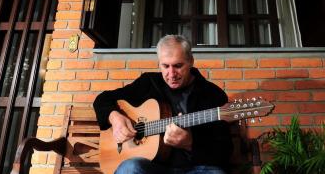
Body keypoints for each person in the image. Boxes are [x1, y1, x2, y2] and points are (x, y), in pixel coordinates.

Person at [93, 34, 233, 174]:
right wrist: (114, 117)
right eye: (165, 66)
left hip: (197, 167)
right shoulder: (148, 83)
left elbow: (224, 152)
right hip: (154, 168)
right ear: (158, 63)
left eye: (178, 66)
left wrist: (190, 144)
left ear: (190, 61)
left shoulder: (213, 94)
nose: (171, 74)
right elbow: (102, 99)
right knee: (130, 168)